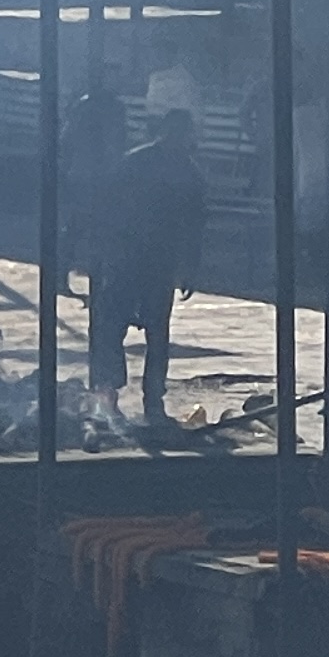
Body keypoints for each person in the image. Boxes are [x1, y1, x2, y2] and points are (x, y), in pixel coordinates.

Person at [89, 108, 211, 425]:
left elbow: (194, 227)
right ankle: (123, 393)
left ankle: (146, 396)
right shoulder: (161, 167)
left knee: (142, 331)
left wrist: (189, 267)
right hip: (137, 258)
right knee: (124, 328)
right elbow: (109, 209)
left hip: (148, 260)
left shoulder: (164, 167)